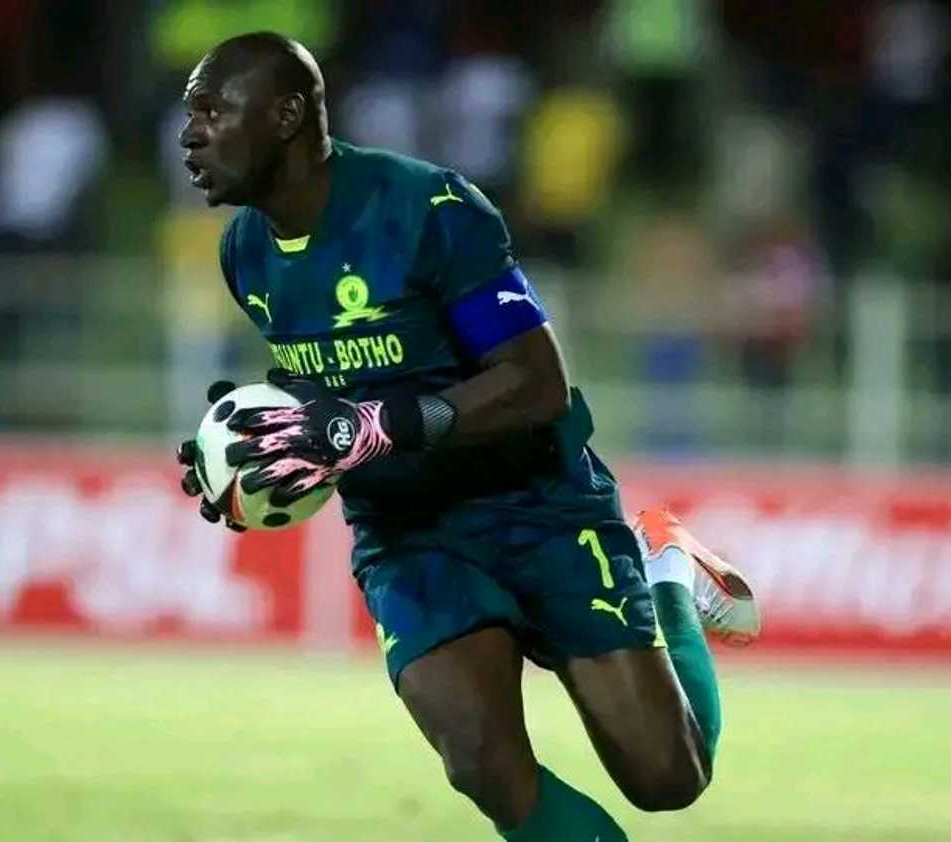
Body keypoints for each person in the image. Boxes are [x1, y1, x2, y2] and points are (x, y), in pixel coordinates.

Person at [174, 32, 760, 841]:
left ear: (285, 116)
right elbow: (332, 388)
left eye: (212, 111)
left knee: (668, 779)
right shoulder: (244, 253)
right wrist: (254, 455)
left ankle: (666, 573)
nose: (190, 135)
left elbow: (536, 381)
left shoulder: (428, 209)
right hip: (407, 533)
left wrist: (383, 424)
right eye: (190, 115)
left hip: (535, 503)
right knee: (481, 758)